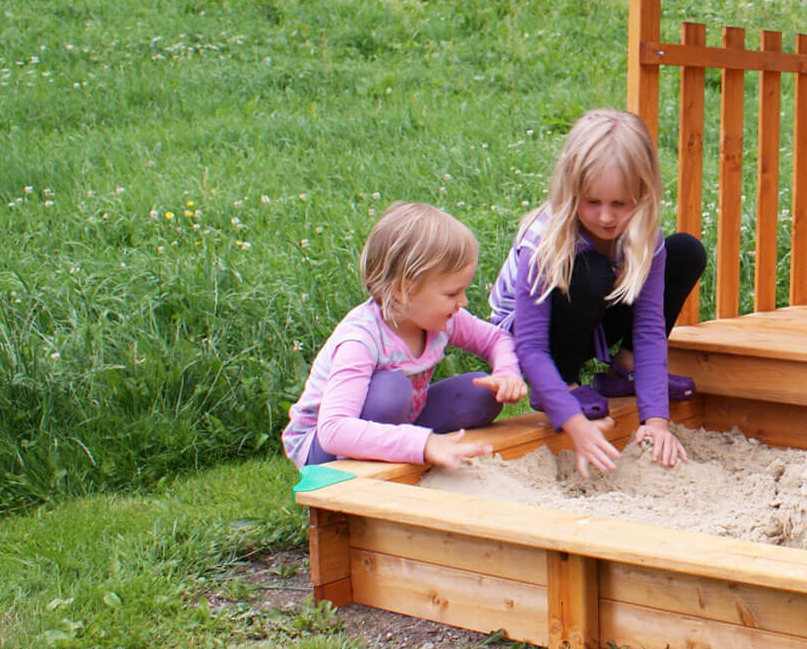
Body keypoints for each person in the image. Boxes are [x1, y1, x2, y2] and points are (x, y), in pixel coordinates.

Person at [488, 109, 708, 477]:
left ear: (642, 194)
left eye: (619, 204)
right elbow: (530, 346)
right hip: (530, 332)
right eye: (592, 202)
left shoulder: (643, 233)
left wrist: (656, 421)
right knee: (588, 272)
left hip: (594, 311)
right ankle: (563, 382)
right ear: (571, 190)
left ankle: (623, 372)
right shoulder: (544, 240)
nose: (606, 217)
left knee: (685, 251)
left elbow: (649, 328)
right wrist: (571, 418)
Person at [282, 202, 527, 470]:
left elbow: (497, 339)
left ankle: (404, 453)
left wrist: (506, 372)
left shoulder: (443, 319)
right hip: (325, 451)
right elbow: (333, 430)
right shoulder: (361, 339)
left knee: (482, 392)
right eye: (452, 293)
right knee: (392, 390)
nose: (463, 302)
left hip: (400, 419)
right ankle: (376, 478)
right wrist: (423, 444)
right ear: (403, 291)